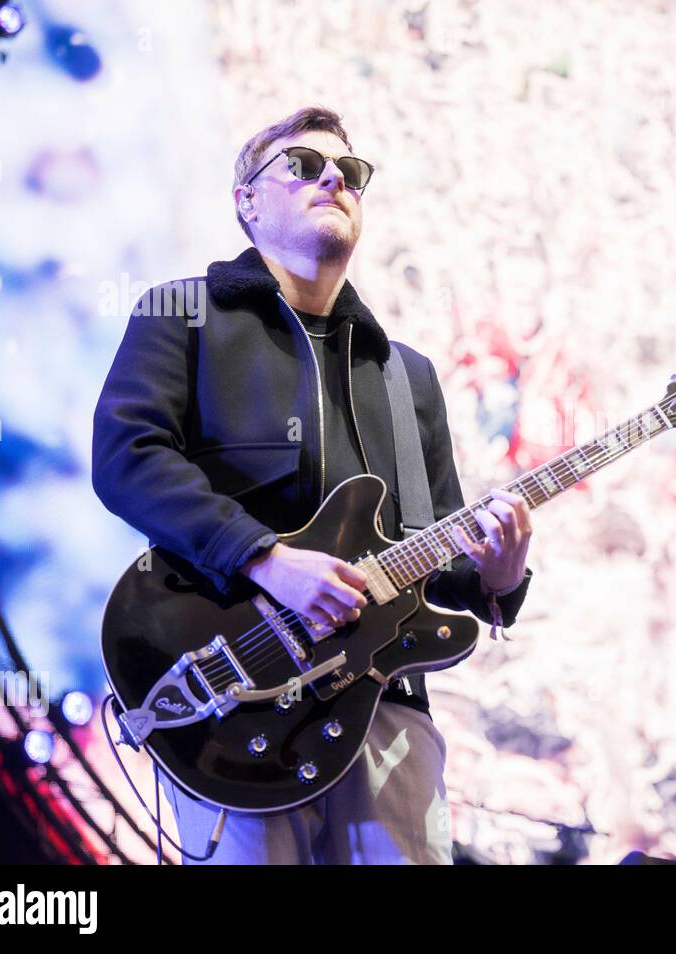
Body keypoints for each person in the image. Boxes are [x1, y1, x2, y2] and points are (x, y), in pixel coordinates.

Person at [91, 106, 534, 864]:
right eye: (302, 164)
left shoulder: (408, 376)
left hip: (387, 712)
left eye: (351, 173)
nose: (335, 177)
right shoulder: (183, 315)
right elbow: (127, 457)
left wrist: (501, 577)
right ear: (248, 200)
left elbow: (443, 554)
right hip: (233, 701)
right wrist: (264, 557)